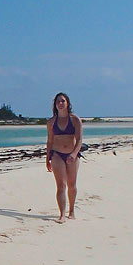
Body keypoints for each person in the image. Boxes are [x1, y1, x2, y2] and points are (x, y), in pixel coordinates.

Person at [46, 91, 82, 222]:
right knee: (61, 185)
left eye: (63, 101)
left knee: (72, 184)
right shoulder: (51, 122)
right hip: (56, 154)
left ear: (67, 103)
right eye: (58, 102)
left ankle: (71, 211)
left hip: (72, 155)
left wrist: (73, 154)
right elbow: (49, 141)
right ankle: (62, 214)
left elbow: (79, 140)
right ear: (55, 105)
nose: (60, 103)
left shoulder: (75, 120)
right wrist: (47, 158)